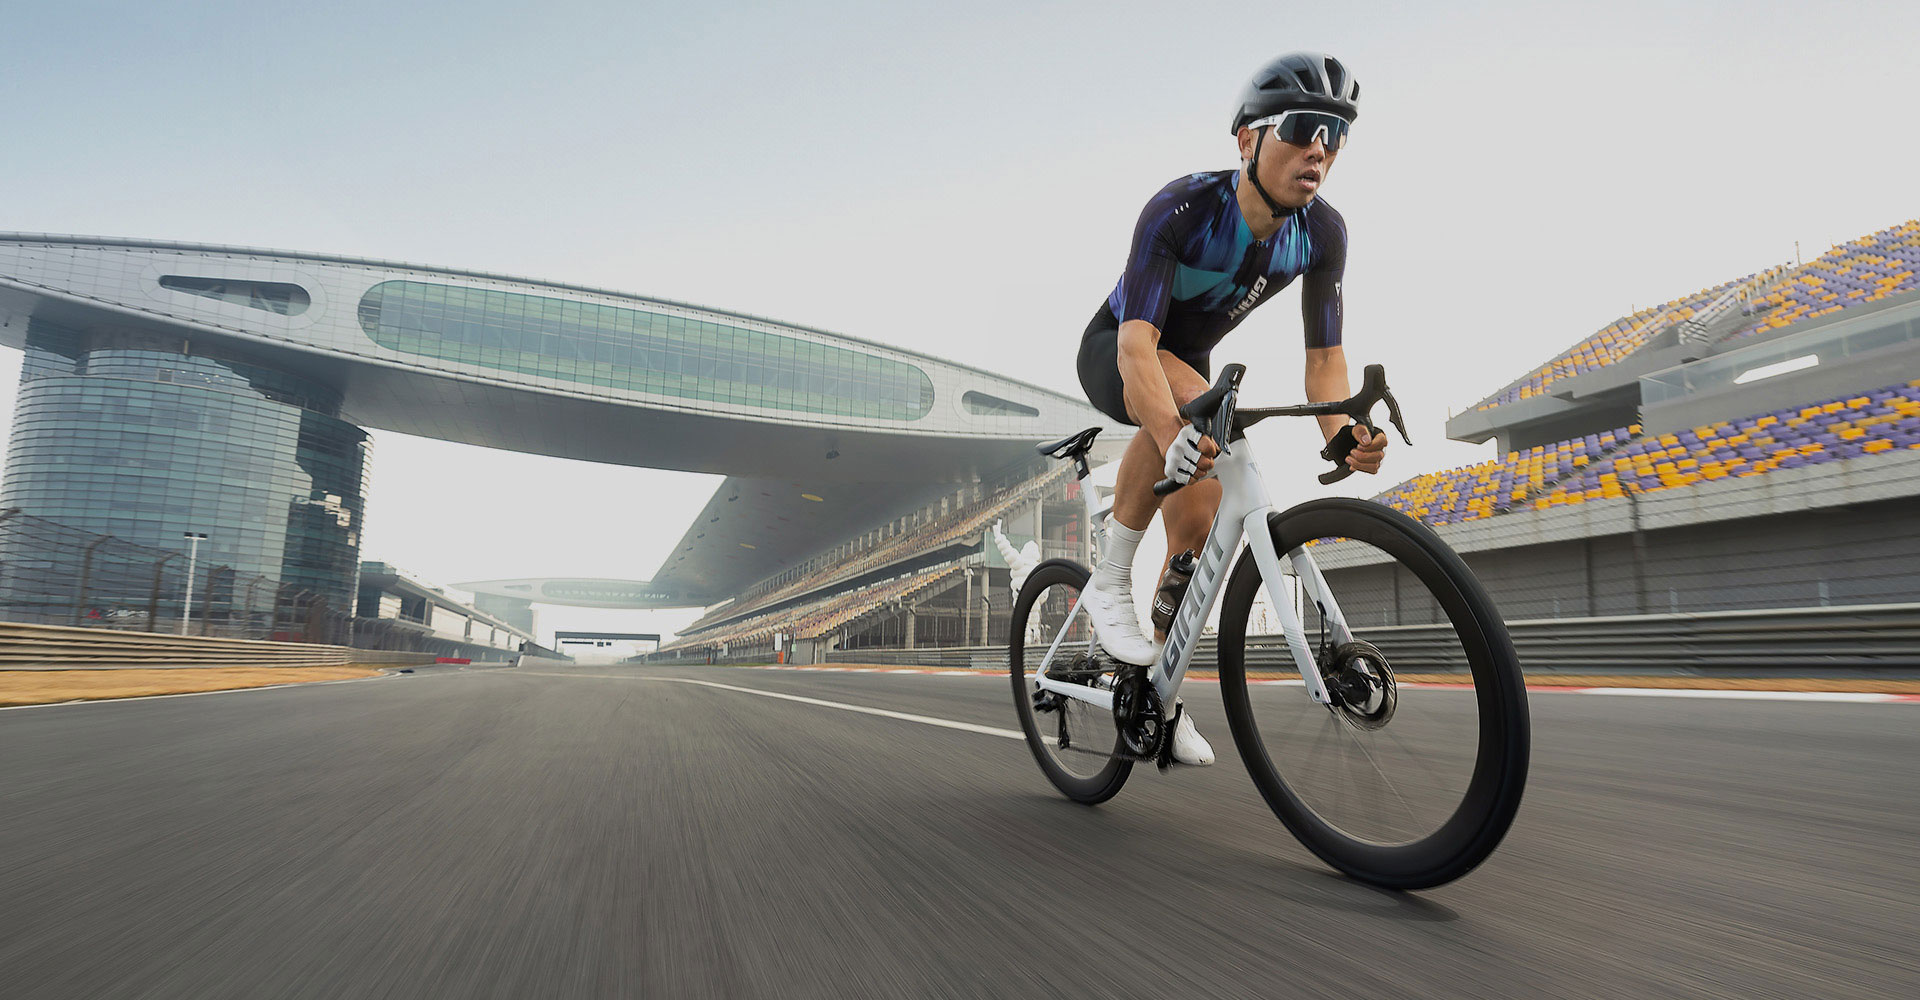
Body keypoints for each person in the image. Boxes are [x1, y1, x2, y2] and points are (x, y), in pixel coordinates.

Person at [1074, 52, 1389, 765]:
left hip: (1193, 374)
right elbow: (1138, 349)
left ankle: (1153, 691)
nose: (1321, 149)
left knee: (1193, 549)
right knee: (1189, 417)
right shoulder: (1182, 209)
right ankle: (1108, 579)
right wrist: (1169, 429)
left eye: (1337, 136)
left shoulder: (1323, 233)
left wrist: (1342, 434)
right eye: (1305, 127)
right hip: (1120, 348)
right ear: (1248, 139)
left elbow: (1323, 364)